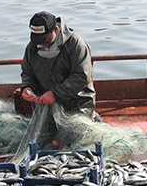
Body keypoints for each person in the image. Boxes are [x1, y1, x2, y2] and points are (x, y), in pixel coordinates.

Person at [19, 11, 96, 148]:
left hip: (77, 102)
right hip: (46, 104)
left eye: (45, 38)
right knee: (42, 141)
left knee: (72, 140)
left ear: (55, 30)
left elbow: (81, 77)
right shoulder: (32, 46)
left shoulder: (76, 44)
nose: (42, 43)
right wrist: (27, 88)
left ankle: (89, 119)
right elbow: (27, 72)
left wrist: (55, 93)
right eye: (37, 39)